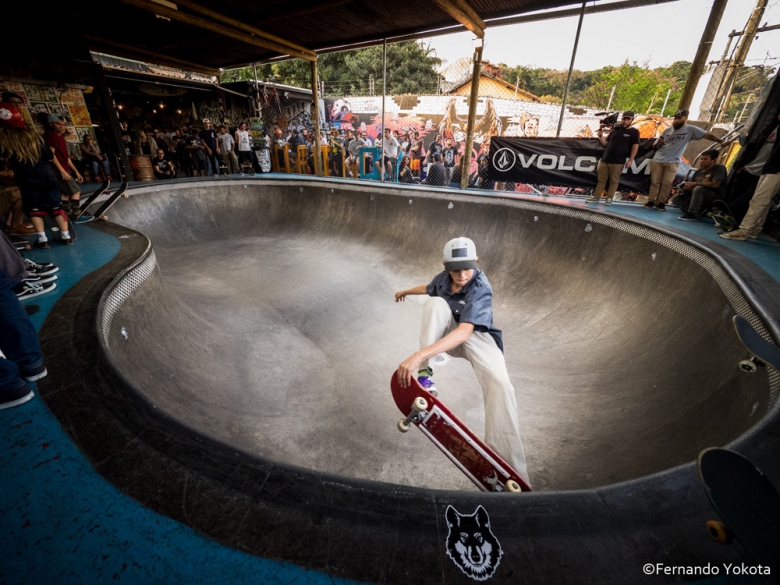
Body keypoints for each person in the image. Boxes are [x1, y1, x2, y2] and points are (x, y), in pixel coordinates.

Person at [394, 237, 530, 485]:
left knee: (501, 385)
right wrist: (405, 291)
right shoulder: (444, 279)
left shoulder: (480, 286)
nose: (462, 275)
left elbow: (466, 332)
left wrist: (418, 354)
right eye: (455, 270)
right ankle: (426, 376)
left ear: (476, 262)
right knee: (434, 304)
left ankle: (509, 464)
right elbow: (428, 288)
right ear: (446, 267)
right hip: (449, 335)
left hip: (477, 338)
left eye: (467, 268)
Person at [0, 104, 73, 247]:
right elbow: (48, 155)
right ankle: (66, 237)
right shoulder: (34, 136)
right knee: (55, 206)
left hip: (27, 179)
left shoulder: (4, 140)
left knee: (33, 209)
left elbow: (5, 156)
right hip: (47, 175)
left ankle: (43, 239)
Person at [644, 109, 723, 211]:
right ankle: (651, 201)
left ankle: (661, 202)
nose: (676, 121)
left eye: (679, 118)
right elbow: (654, 146)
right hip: (658, 159)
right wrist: (658, 142)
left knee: (667, 182)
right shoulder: (667, 130)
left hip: (673, 161)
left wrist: (721, 141)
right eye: (675, 118)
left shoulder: (690, 130)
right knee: (655, 182)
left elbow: (707, 135)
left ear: (685, 118)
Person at [719, 118, 780, 241]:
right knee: (764, 201)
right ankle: (754, 230)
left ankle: (744, 230)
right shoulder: (773, 126)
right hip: (769, 167)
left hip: (777, 170)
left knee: (758, 200)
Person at [586, 111, 639, 205]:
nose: (625, 121)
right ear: (621, 119)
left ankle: (609, 198)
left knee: (614, 181)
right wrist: (600, 136)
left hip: (618, 161)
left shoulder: (634, 132)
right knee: (601, 180)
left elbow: (635, 146)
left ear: (632, 120)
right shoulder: (615, 129)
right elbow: (605, 143)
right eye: (624, 119)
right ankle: (596, 197)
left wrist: (631, 160)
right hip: (605, 159)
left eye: (628, 119)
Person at [43, 113, 83, 218]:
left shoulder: (58, 138)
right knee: (76, 191)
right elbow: (50, 155)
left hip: (61, 168)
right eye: (59, 124)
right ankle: (76, 213)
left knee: (64, 193)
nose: (62, 127)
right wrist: (62, 171)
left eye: (64, 125)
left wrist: (76, 171)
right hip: (58, 169)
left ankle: (68, 213)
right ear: (51, 125)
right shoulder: (52, 136)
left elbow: (66, 158)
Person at [674, 150, 727, 221]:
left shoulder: (719, 168)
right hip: (698, 196)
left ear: (713, 160)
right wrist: (685, 188)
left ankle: (692, 214)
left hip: (714, 197)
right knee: (676, 198)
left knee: (699, 188)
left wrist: (695, 184)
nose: (702, 161)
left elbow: (715, 185)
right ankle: (701, 211)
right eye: (701, 159)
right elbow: (692, 185)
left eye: (705, 159)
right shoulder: (698, 171)